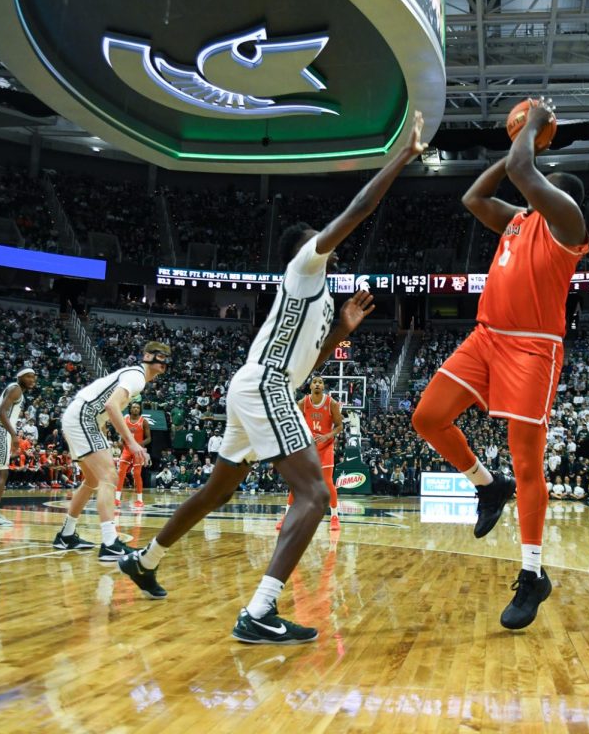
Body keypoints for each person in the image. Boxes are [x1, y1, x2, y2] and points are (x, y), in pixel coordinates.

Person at [118, 112, 426, 644]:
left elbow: (312, 366)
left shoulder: (321, 298)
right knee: (314, 496)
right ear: (303, 249)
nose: (326, 244)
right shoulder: (304, 266)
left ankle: (146, 559)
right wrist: (400, 156)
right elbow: (358, 209)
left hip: (259, 385)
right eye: (318, 240)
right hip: (265, 386)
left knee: (217, 491)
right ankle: (260, 611)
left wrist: (340, 331)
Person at [411, 98, 589, 630]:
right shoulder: (520, 221)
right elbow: (474, 195)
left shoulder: (567, 224)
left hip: (534, 348)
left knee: (529, 464)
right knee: (427, 417)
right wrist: (522, 148)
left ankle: (533, 573)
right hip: (487, 339)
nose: (537, 186)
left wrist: (532, 131)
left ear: (558, 198)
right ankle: (487, 485)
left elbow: (519, 170)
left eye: (544, 183)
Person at [52, 342, 171, 560]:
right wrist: (132, 443)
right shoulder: (136, 375)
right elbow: (111, 405)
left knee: (92, 481)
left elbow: (105, 406)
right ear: (147, 356)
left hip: (81, 417)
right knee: (109, 477)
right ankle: (109, 543)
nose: (164, 361)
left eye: (167, 357)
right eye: (160, 355)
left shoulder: (135, 377)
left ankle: (66, 535)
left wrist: (103, 431)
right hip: (83, 416)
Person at [277, 376, 344, 532]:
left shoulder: (331, 403)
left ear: (323, 386)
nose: (318, 384)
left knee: (328, 482)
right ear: (310, 386)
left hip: (326, 446)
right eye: (315, 382)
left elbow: (339, 426)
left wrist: (327, 436)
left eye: (320, 382)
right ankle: (286, 516)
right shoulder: (302, 403)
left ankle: (334, 517)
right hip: (308, 447)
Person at [0, 368, 38, 526]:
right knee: (1, 473)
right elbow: (1, 412)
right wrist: (14, 435)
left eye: (34, 377)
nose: (32, 379)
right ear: (20, 377)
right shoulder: (16, 389)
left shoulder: (15, 388)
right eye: (28, 376)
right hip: (0, 429)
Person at [115, 401, 151, 510]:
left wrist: (139, 445)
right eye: (134, 407)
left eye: (137, 408)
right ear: (130, 409)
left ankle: (139, 500)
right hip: (127, 450)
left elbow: (149, 439)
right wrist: (121, 443)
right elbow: (122, 437)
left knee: (136, 474)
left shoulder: (143, 422)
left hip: (138, 451)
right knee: (121, 473)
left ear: (140, 410)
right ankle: (116, 498)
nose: (135, 409)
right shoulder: (125, 420)